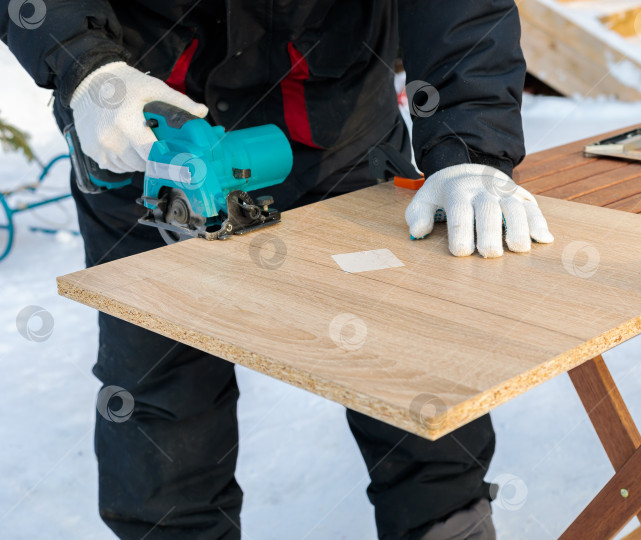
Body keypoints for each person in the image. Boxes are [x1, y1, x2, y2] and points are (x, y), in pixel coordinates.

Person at [2, 1, 553, 538]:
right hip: (139, 128)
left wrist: (470, 149)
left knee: (407, 356)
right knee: (161, 388)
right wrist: (85, 67)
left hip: (335, 123)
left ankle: (448, 526)